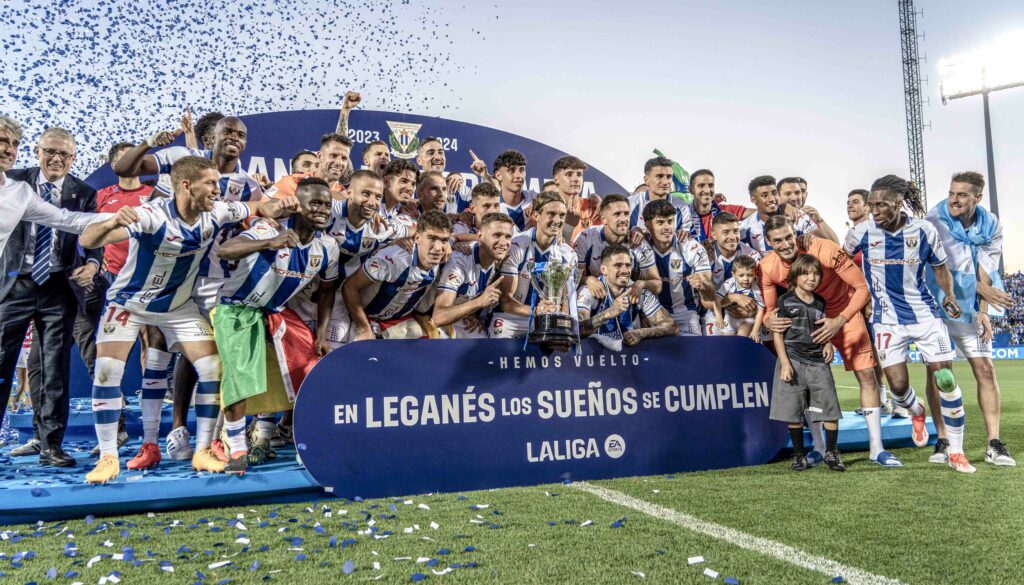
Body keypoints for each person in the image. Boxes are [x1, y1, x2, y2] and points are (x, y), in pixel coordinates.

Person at [78, 156, 292, 483]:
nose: (217, 191)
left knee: (212, 367)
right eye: (210, 184)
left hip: (177, 306)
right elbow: (87, 240)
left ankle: (203, 449)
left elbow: (257, 207)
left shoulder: (216, 211)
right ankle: (109, 456)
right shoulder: (151, 215)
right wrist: (109, 223)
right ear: (186, 185)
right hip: (130, 303)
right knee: (108, 370)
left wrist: (276, 206)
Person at [112, 116, 267, 462]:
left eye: (241, 135)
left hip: (218, 281)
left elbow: (260, 214)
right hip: (172, 277)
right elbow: (145, 191)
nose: (234, 139)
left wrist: (272, 214)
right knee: (158, 351)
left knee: (207, 355)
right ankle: (162, 436)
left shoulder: (247, 185)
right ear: (212, 135)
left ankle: (207, 439)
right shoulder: (181, 163)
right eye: (228, 132)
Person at [844, 174, 973, 473]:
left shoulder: (924, 230)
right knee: (899, 388)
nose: (874, 211)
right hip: (886, 320)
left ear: (898, 204)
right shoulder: (861, 233)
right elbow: (842, 266)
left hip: (925, 316)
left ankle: (956, 450)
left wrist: (949, 296)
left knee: (945, 380)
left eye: (881, 205)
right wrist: (858, 298)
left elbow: (940, 268)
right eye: (871, 205)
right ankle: (916, 411)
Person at [215, 177, 339, 474]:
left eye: (327, 204)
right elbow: (226, 250)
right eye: (315, 203)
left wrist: (321, 334)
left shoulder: (328, 247)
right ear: (299, 205)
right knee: (241, 377)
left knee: (308, 366)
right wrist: (269, 243)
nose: (322, 210)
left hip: (275, 312)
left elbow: (327, 290)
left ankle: (289, 438)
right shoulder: (270, 228)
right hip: (238, 308)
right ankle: (236, 448)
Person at [0, 116, 108, 449]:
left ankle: (50, 445)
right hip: (13, 284)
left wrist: (92, 263)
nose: (57, 159)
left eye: (65, 154)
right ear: (38, 152)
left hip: (58, 285)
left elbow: (85, 230)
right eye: (50, 151)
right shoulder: (15, 182)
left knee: (54, 369)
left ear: (74, 158)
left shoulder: (84, 192)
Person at [760, 215, 901, 467]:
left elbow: (862, 287)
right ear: (769, 242)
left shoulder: (824, 249)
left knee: (867, 375)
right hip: (808, 323)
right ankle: (818, 447)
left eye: (789, 237)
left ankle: (876, 448)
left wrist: (840, 320)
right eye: (777, 240)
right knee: (806, 384)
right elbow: (770, 309)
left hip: (843, 314)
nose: (785, 244)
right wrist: (768, 321)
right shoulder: (768, 266)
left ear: (795, 234)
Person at [924, 171, 1016, 466]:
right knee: (939, 372)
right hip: (936, 301)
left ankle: (994, 444)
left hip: (969, 305)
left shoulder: (991, 225)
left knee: (986, 369)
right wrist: (979, 289)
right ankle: (943, 439)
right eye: (951, 193)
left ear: (978, 198)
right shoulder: (935, 220)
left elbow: (985, 269)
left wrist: (983, 311)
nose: (954, 199)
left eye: (962, 195)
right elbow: (936, 269)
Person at [310, 170, 406, 349]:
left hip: (336, 299)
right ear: (349, 192)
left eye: (378, 197)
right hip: (302, 294)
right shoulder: (329, 212)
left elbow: (417, 232)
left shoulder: (383, 226)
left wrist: (403, 240)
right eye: (366, 194)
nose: (372, 202)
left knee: (331, 354)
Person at [770, 254, 845, 472]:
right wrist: (784, 364)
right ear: (795, 276)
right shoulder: (785, 301)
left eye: (816, 274)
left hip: (818, 362)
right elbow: (777, 334)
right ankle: (799, 455)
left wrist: (828, 343)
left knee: (829, 407)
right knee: (793, 410)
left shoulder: (821, 302)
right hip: (792, 360)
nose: (811, 278)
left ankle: (831, 453)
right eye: (806, 273)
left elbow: (823, 328)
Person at [343, 210, 452, 341]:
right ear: (417, 238)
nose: (438, 248)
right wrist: (363, 328)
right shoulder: (393, 259)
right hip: (364, 318)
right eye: (432, 238)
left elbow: (459, 238)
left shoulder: (444, 256)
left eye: (444, 240)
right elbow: (349, 287)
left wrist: (451, 243)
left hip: (400, 321)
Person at [490, 192, 578, 339]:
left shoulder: (569, 255)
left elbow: (565, 299)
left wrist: (559, 320)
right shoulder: (516, 245)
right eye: (551, 214)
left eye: (562, 215)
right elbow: (506, 302)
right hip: (511, 317)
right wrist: (536, 310)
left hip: (545, 320)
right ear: (536, 216)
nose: (557, 220)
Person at [847, 188, 898, 417]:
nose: (850, 206)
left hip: (878, 303)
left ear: (868, 207)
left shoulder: (876, 231)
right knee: (872, 356)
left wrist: (869, 298)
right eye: (848, 202)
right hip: (860, 303)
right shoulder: (854, 234)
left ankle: (900, 402)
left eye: (856, 202)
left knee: (886, 352)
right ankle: (883, 400)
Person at [433, 213, 515, 338]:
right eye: (497, 235)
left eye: (508, 237)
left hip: (458, 317)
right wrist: (478, 303)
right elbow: (438, 317)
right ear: (480, 236)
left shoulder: (495, 257)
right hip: (429, 319)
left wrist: (471, 313)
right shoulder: (459, 262)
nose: (503, 243)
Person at [577, 244, 678, 345]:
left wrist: (640, 333)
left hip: (627, 357)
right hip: (595, 357)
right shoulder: (588, 291)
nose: (625, 271)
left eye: (628, 265)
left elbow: (672, 326)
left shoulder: (637, 291)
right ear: (604, 269)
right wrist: (608, 313)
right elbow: (577, 329)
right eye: (618, 265)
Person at [643, 199, 714, 336]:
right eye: (660, 222)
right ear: (647, 225)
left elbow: (710, 297)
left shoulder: (692, 247)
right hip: (652, 315)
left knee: (691, 354)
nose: (667, 227)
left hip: (685, 315)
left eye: (670, 221)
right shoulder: (641, 247)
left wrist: (703, 285)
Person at [573, 194, 661, 299]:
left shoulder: (639, 244)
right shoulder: (585, 238)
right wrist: (588, 280)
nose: (623, 219)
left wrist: (641, 284)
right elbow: (575, 278)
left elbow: (657, 286)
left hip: (628, 297)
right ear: (604, 219)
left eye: (626, 214)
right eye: (617, 214)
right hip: (596, 296)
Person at [704, 212, 762, 336]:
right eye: (726, 232)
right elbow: (706, 302)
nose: (732, 237)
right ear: (714, 235)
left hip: (747, 312)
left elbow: (761, 295)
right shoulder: (705, 257)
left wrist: (750, 312)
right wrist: (733, 298)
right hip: (714, 311)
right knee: (715, 344)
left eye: (736, 231)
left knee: (749, 342)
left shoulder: (752, 256)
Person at [740, 175, 820, 255]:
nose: (772, 199)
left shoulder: (797, 215)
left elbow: (826, 244)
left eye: (774, 193)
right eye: (764, 195)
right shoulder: (746, 227)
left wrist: (811, 237)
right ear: (753, 199)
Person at [266, 134, 351, 200]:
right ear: (319, 156)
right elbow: (261, 210)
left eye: (344, 158)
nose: (339, 163)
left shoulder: (344, 196)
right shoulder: (292, 182)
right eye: (333, 155)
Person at [627, 156, 693, 237]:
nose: (665, 182)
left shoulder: (682, 208)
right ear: (646, 180)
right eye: (659, 176)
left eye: (669, 177)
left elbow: (686, 243)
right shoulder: (630, 204)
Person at [686, 169, 752, 241]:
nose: (707, 190)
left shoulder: (725, 211)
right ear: (691, 190)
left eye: (711, 185)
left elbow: (761, 213)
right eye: (701, 186)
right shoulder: (682, 216)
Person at [712, 255, 765, 340]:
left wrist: (755, 330)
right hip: (730, 319)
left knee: (742, 336)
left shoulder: (755, 290)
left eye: (750, 275)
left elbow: (761, 309)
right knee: (726, 342)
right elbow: (716, 299)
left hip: (747, 320)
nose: (746, 279)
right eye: (741, 275)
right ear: (733, 274)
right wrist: (719, 317)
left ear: (755, 274)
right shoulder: (728, 284)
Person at [551, 156, 599, 242]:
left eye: (579, 174)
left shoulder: (594, 207)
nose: (576, 179)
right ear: (556, 179)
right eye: (569, 174)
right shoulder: (545, 209)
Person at [416, 137, 470, 212]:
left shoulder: (461, 189)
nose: (438, 157)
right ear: (419, 160)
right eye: (431, 153)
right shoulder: (411, 189)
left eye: (441, 152)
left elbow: (486, 204)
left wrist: (485, 176)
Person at [777, 176, 838, 242]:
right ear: (777, 196)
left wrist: (820, 221)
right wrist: (783, 206)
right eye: (788, 194)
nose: (794, 198)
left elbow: (834, 244)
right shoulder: (771, 213)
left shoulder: (804, 217)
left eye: (797, 192)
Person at [490, 149, 535, 231]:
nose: (518, 175)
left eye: (521, 170)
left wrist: (541, 205)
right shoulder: (490, 205)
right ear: (498, 175)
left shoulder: (534, 198)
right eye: (511, 170)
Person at [380, 159, 419, 229]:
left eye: (413, 184)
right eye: (404, 181)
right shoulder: (371, 206)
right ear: (386, 181)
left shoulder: (410, 211)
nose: (409, 188)